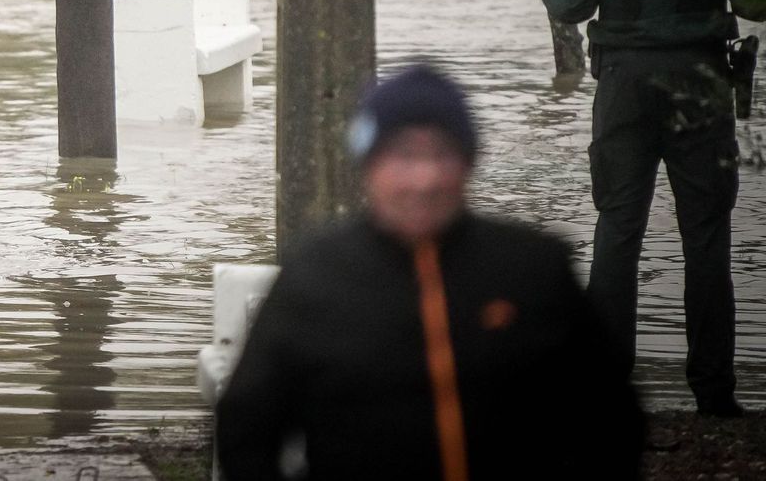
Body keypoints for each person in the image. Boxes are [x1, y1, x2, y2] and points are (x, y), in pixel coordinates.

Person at [216, 65, 643, 480]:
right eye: (403, 156)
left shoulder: (534, 267)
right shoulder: (313, 275)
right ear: (367, 165)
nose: (424, 179)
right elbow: (245, 429)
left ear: (469, 162)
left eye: (442, 154)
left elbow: (610, 420)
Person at [541, 0, 766, 417]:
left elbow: (565, 3)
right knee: (706, 237)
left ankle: (609, 395)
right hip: (700, 81)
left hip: (624, 84)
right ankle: (716, 399)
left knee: (618, 231)